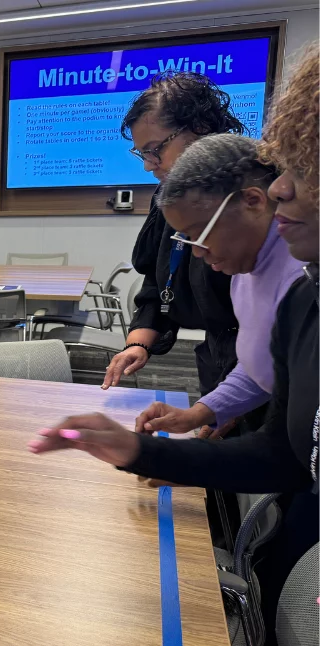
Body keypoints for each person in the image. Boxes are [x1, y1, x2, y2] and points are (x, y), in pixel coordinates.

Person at [30, 44, 319, 646]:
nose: (282, 188)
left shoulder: (290, 280)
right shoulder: (295, 298)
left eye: (298, 171)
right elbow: (285, 451)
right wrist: (141, 449)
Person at [131, 134, 303, 442]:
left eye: (200, 234)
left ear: (253, 201)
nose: (196, 253)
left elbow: (288, 446)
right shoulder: (245, 269)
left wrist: (153, 456)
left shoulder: (300, 281)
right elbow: (259, 366)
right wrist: (199, 412)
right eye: (185, 240)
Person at [103, 73, 246, 420]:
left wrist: (234, 404)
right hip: (218, 362)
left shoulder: (252, 198)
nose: (149, 165)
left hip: (267, 374)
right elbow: (159, 278)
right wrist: (139, 340)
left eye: (155, 150)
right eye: (142, 153)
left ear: (198, 128)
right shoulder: (170, 197)